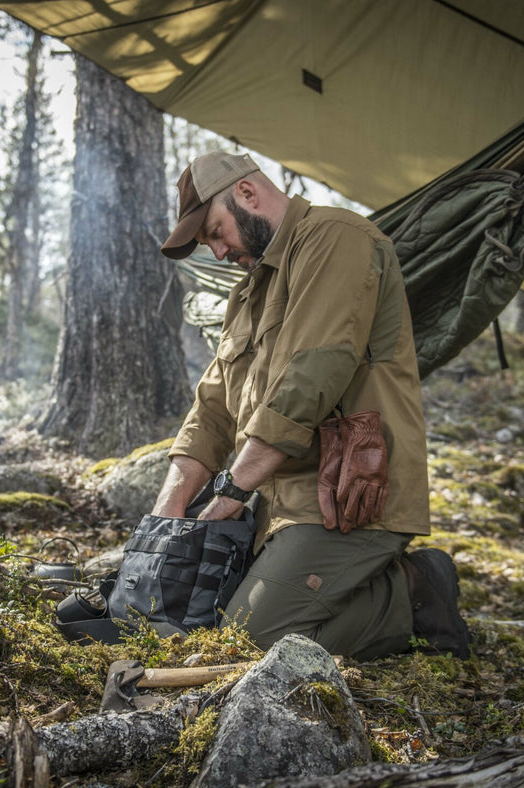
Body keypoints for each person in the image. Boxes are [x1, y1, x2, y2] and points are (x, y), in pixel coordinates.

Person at [152, 151, 470, 659]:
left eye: (215, 232)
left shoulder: (337, 238)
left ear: (247, 194)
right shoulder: (247, 293)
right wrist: (166, 515)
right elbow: (211, 409)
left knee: (248, 643)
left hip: (350, 499)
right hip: (275, 503)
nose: (218, 252)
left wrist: (230, 492)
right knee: (201, 615)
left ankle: (413, 589)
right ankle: (343, 587)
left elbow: (312, 375)